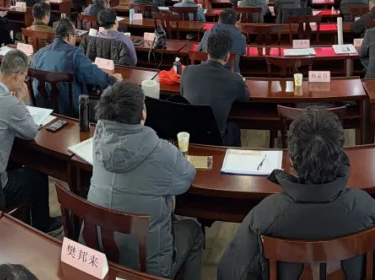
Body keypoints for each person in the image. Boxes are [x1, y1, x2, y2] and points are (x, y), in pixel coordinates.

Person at [219, 108, 375, 280]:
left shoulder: (262, 217)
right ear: (339, 157)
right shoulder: (370, 211)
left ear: (291, 160)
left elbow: (229, 274)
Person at [90, 81, 204, 280]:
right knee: (193, 230)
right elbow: (187, 177)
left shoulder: (97, 141)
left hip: (100, 253)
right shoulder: (162, 151)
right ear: (142, 114)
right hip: (148, 268)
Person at [0, 49, 61, 234]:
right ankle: (43, 224)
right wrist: (21, 101)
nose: (25, 81)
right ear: (16, 75)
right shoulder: (8, 103)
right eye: (25, 77)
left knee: (17, 158)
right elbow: (31, 131)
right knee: (38, 174)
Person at [31, 19, 116, 116]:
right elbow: (95, 76)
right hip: (72, 111)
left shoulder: (38, 54)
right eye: (75, 35)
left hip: (42, 109)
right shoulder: (74, 54)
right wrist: (112, 79)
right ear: (69, 36)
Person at [181, 30, 249, 146]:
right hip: (216, 141)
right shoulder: (234, 79)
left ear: (207, 51)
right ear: (227, 57)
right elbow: (245, 97)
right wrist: (240, 80)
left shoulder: (187, 71)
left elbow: (182, 95)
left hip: (189, 137)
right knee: (234, 128)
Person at [200, 8, 246, 72]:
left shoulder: (207, 34)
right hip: (230, 73)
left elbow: (199, 50)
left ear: (219, 21)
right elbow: (242, 52)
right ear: (235, 23)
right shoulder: (241, 38)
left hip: (206, 72)